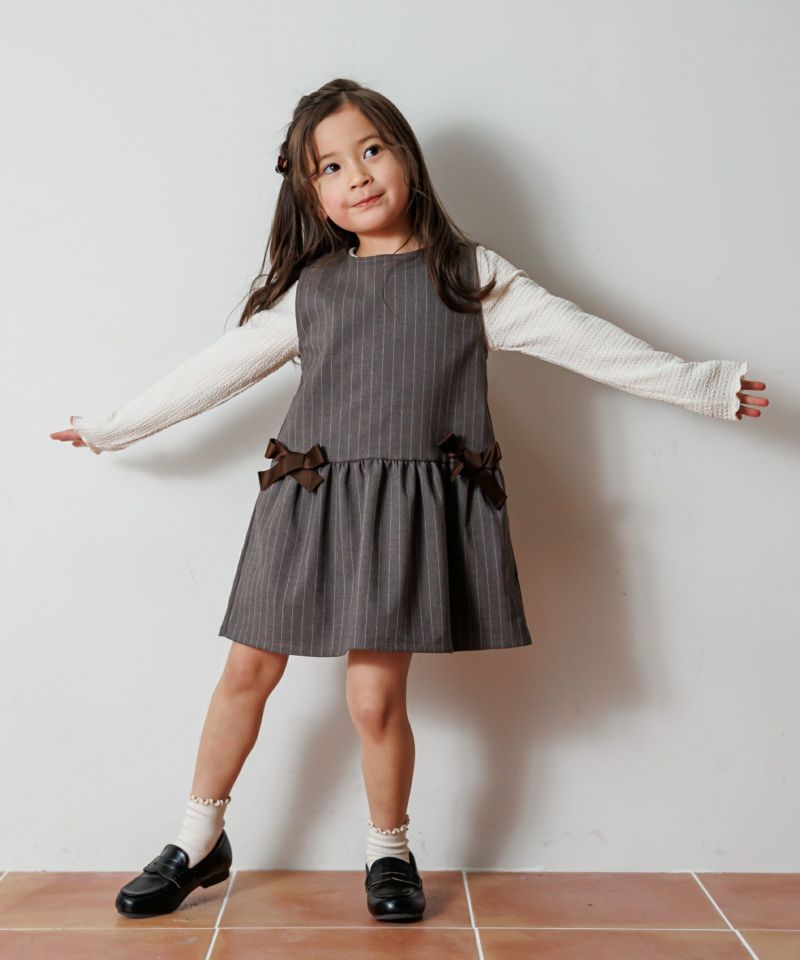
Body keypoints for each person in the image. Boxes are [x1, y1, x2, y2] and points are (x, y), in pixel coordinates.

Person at [50, 77, 768, 923]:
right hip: (307, 504)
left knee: (373, 698)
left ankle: (388, 849)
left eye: (370, 150)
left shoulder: (470, 276)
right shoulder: (314, 291)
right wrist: (113, 429)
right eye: (329, 166)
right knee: (246, 671)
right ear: (310, 193)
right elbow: (215, 370)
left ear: (405, 156)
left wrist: (704, 387)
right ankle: (197, 840)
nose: (356, 175)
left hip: (402, 521)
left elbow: (589, 342)